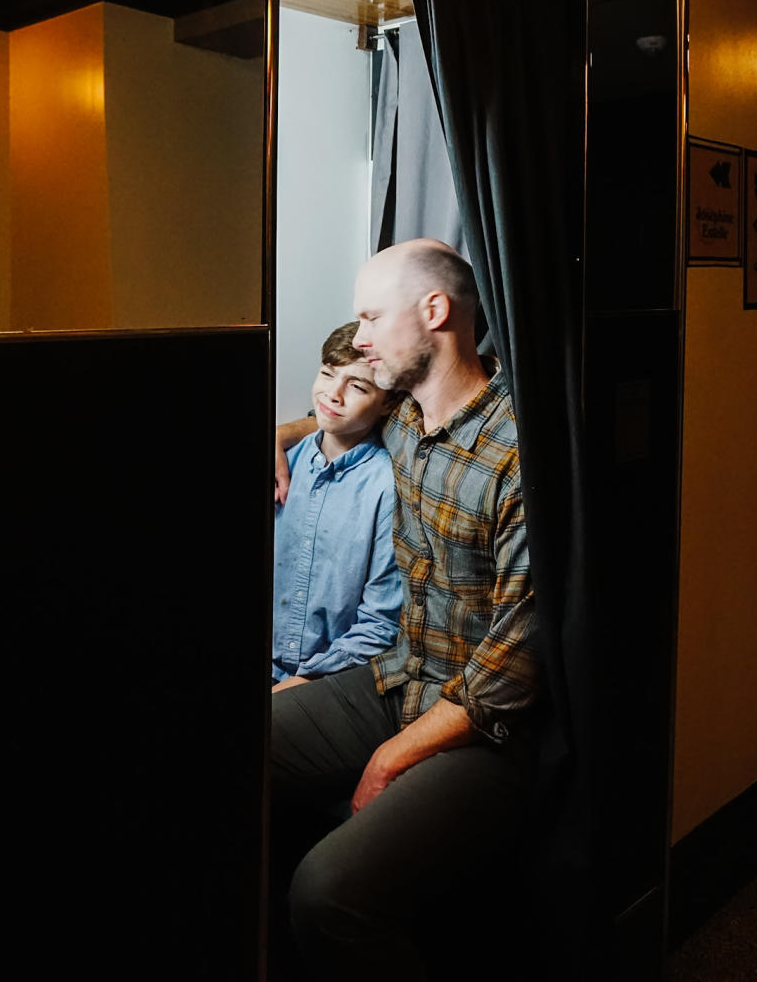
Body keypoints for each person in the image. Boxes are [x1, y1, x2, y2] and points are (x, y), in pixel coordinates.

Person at [270, 239, 540, 980]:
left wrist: (391, 757)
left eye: (370, 317)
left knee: (327, 894)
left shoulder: (519, 455)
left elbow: (511, 676)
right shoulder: (407, 422)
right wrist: (286, 434)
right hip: (398, 681)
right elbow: (335, 414)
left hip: (483, 731)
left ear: (434, 311)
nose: (358, 338)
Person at [272, 321, 401, 690]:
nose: (333, 394)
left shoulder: (385, 487)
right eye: (328, 374)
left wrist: (298, 683)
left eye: (357, 386)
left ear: (388, 401)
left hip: (328, 678)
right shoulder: (284, 463)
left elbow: (380, 624)